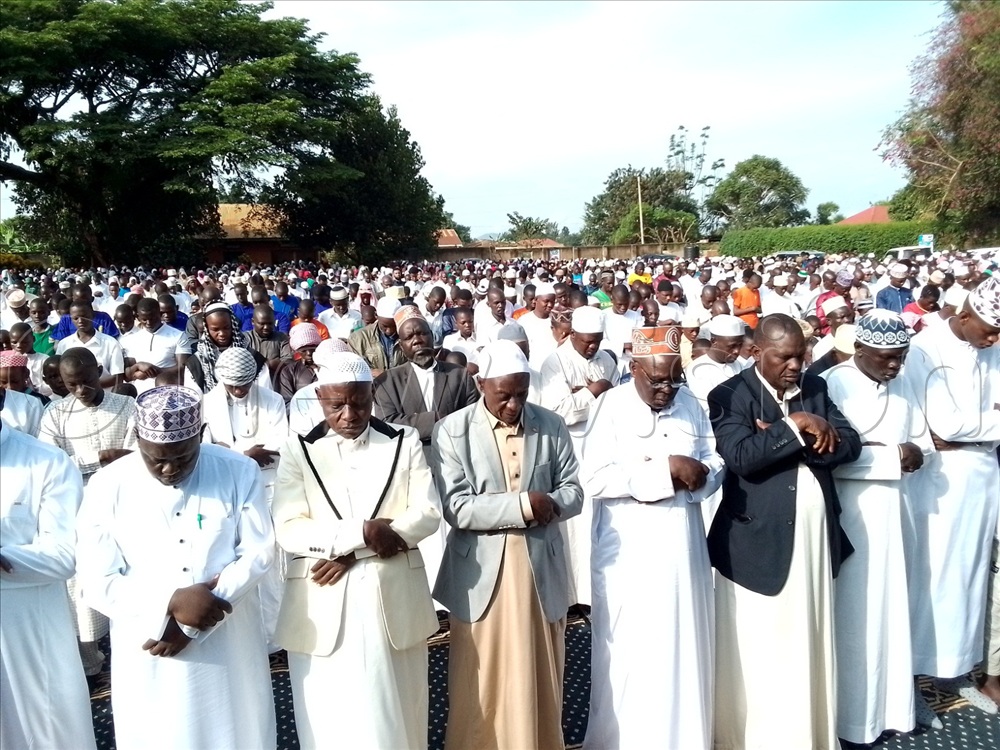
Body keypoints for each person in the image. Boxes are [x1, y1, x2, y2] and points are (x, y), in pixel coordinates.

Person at [76, 385, 277, 749]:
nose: (169, 469)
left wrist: (191, 624)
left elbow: (258, 553)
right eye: (156, 459)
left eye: (184, 457)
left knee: (236, 733)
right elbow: (94, 578)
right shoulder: (107, 485)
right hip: (149, 643)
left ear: (200, 436)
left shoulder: (239, 471)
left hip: (228, 639)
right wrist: (167, 605)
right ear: (137, 439)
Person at [707, 313, 862, 750]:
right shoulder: (729, 394)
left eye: (801, 355)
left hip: (813, 545)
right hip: (758, 547)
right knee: (763, 651)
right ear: (756, 352)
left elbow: (849, 443)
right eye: (785, 357)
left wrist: (794, 436)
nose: (796, 365)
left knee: (806, 646)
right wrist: (796, 427)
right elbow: (740, 456)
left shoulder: (815, 387)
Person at [272, 351, 441, 749]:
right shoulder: (298, 449)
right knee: (331, 716)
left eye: (360, 402)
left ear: (372, 395)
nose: (350, 414)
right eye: (337, 405)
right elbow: (289, 528)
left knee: (395, 712)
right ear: (320, 400)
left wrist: (355, 551)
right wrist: (362, 534)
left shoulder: (404, 440)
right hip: (323, 601)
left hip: (393, 598)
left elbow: (428, 513)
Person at [432, 340, 584, 750]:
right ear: (481, 384)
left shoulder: (550, 425)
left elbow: (574, 492)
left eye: (521, 393)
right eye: (504, 395)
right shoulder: (453, 430)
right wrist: (523, 505)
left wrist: (550, 503)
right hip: (482, 575)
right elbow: (457, 508)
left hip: (540, 569)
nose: (514, 405)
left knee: (540, 671)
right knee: (480, 676)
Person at [580, 325, 724, 750]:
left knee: (684, 643)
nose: (667, 389)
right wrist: (666, 471)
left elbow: (714, 458)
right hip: (629, 550)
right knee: (632, 652)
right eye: (657, 380)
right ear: (635, 369)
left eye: (675, 378)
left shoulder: (692, 405)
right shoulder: (610, 405)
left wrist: (702, 476)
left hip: (683, 545)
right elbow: (594, 477)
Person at [819, 311, 928, 744]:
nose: (894, 367)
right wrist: (890, 457)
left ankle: (893, 710)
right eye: (886, 357)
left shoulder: (903, 382)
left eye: (901, 357)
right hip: (854, 516)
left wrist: (907, 453)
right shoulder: (831, 383)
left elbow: (922, 443)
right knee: (855, 619)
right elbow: (830, 453)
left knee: (894, 613)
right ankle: (849, 720)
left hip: (899, 514)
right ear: (860, 348)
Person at [900, 277, 1000, 725]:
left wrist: (969, 429)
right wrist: (974, 427)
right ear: (963, 315)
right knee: (932, 577)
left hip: (983, 473)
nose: (995, 340)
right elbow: (944, 425)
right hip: (941, 483)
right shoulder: (926, 349)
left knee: (971, 577)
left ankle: (955, 670)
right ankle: (912, 681)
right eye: (990, 330)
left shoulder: (990, 346)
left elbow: (961, 428)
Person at [0, 387, 98, 750]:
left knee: (47, 730)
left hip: (29, 622)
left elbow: (64, 556)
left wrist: (5, 558)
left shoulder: (45, 462)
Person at [39, 347, 138, 679]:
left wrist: (123, 456)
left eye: (86, 381)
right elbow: (50, 461)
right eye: (71, 385)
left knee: (131, 574)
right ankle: (91, 663)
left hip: (125, 503)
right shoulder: (55, 414)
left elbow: (142, 449)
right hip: (78, 507)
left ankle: (137, 649)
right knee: (81, 588)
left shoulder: (126, 405)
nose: (80, 390)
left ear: (99, 371)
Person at [538, 305, 619, 607]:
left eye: (597, 340)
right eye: (587, 340)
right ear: (572, 334)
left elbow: (615, 401)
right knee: (575, 525)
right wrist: (595, 390)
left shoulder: (607, 360)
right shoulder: (555, 363)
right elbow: (559, 412)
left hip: (603, 448)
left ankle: (597, 592)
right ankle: (574, 597)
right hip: (571, 452)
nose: (593, 346)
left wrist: (585, 393)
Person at [119, 297, 184, 394]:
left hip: (170, 393)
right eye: (144, 319)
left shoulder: (178, 336)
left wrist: (153, 372)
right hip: (141, 396)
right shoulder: (130, 340)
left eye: (152, 318)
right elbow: (127, 376)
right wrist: (138, 365)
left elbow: (183, 368)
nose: (148, 323)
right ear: (138, 317)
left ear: (160, 314)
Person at [56, 301, 125, 390]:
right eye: (76, 318)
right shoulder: (64, 344)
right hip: (73, 397)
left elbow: (118, 377)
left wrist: (89, 386)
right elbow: (61, 375)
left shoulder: (110, 343)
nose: (80, 321)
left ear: (92, 316)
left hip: (104, 396)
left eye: (85, 317)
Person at [684, 314, 744, 408]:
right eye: (732, 346)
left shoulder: (739, 364)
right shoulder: (698, 370)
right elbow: (707, 409)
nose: (737, 351)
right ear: (714, 342)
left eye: (740, 345)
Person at [348, 297, 406, 376]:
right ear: (376, 315)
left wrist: (388, 375)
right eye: (385, 326)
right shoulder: (357, 339)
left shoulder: (408, 336)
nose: (389, 331)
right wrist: (370, 372)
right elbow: (353, 369)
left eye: (394, 326)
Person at [276, 322, 322, 406]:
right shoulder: (289, 372)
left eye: (313, 348)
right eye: (304, 350)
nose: (309, 353)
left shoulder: (330, 368)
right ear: (297, 351)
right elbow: (288, 402)